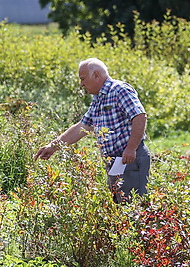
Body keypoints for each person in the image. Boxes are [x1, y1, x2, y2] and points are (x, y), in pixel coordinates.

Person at [34, 58, 151, 203]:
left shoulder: (119, 90)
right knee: (120, 209)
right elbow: (82, 127)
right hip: (116, 162)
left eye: (83, 79)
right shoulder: (98, 99)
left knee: (134, 208)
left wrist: (131, 148)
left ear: (96, 75)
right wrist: (53, 146)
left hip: (130, 159)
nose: (81, 84)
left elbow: (139, 116)